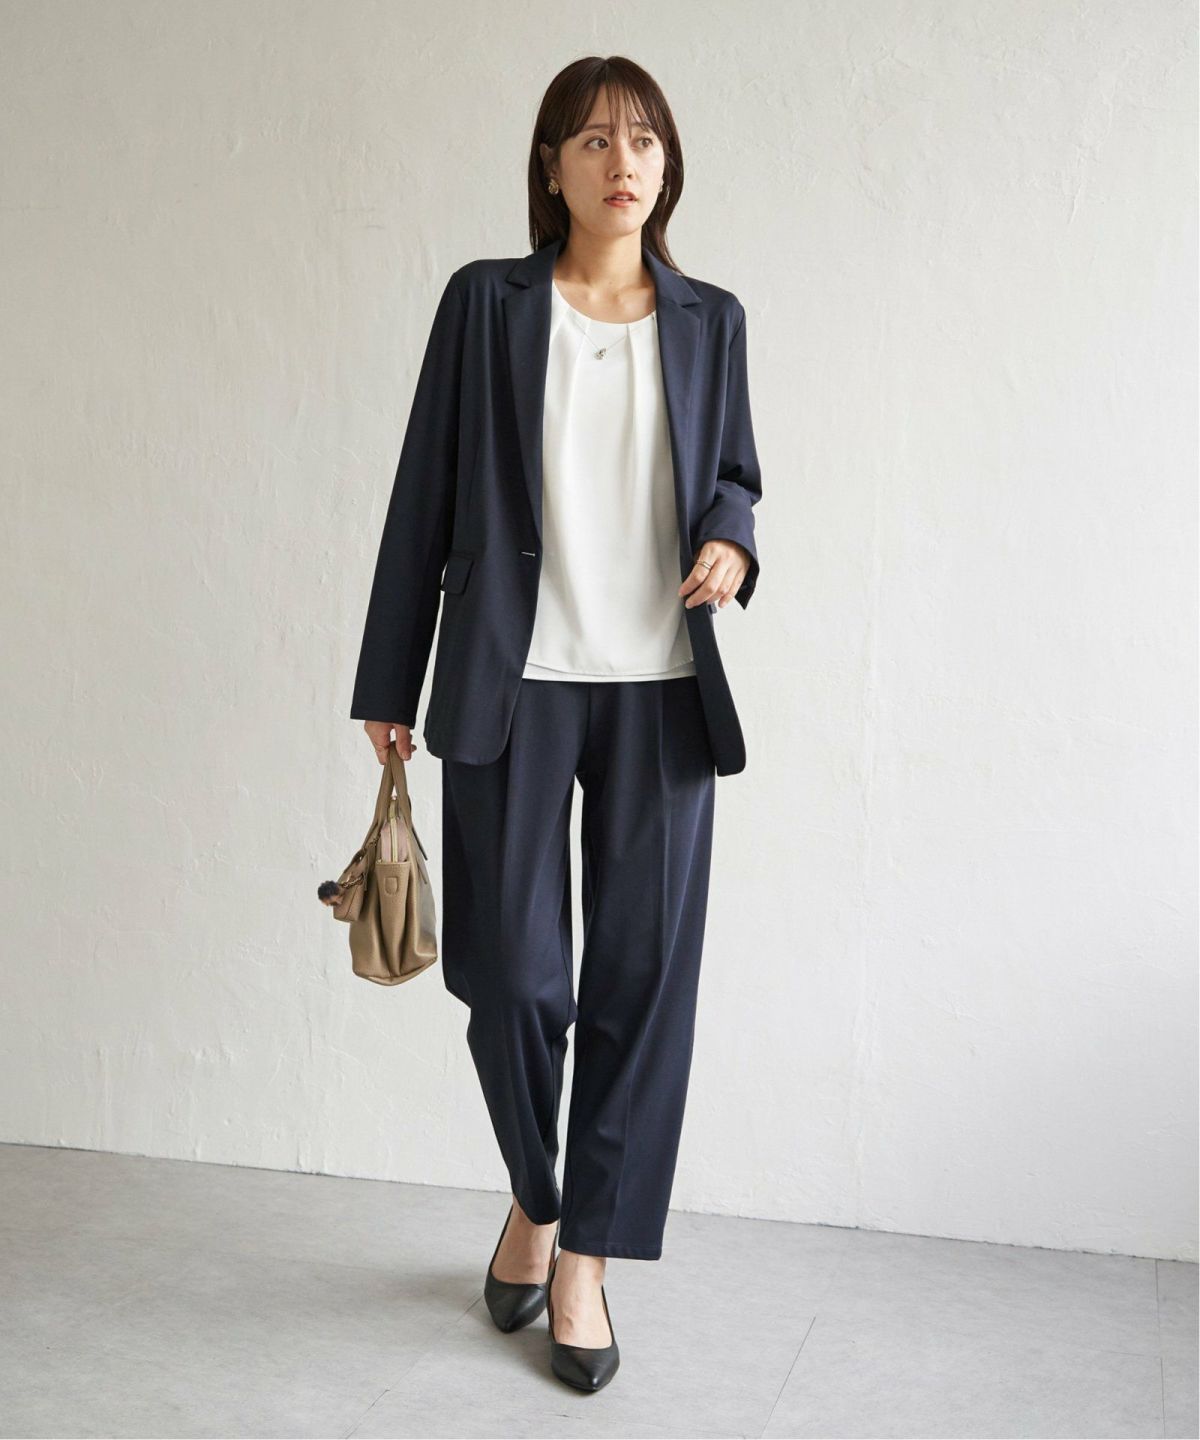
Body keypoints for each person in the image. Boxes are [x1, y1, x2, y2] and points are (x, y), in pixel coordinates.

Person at [349, 55, 763, 1393]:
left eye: (642, 140)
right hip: (509, 686)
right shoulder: (488, 304)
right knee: (512, 978)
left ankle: (580, 1259)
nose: (620, 161)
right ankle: (540, 1191)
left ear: (667, 165)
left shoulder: (711, 319)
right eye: (592, 140)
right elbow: (423, 490)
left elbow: (737, 477)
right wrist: (388, 680)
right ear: (553, 167)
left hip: (663, 696)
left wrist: (732, 543)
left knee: (642, 985)